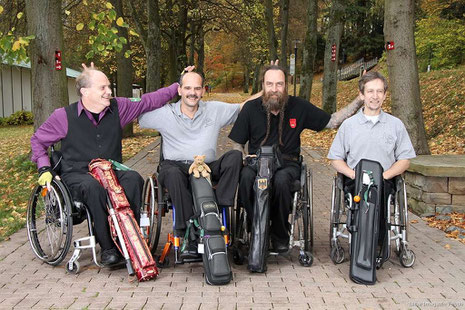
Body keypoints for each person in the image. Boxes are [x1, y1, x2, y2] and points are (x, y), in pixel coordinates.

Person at [30, 63, 188, 266]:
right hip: (78, 174)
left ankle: (134, 243)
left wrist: (179, 85)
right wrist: (44, 167)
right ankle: (108, 248)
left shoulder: (119, 107)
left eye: (108, 87)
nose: (109, 91)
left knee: (133, 179)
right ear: (85, 91)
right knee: (93, 187)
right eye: (102, 87)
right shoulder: (63, 116)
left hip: (111, 170)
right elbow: (38, 141)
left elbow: (149, 101)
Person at [228, 64, 364, 255]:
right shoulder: (251, 108)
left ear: (286, 85)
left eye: (279, 84)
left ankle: (279, 234)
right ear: (263, 85)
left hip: (287, 163)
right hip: (257, 163)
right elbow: (236, 143)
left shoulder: (299, 106)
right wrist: (243, 157)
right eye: (270, 84)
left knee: (283, 181)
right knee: (245, 179)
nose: (274, 89)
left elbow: (332, 121)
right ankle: (253, 227)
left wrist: (359, 100)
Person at [138, 71, 258, 258]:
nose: (192, 92)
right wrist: (166, 92)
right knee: (171, 174)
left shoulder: (214, 109)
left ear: (203, 91)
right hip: (176, 167)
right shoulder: (164, 113)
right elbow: (140, 111)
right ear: (179, 90)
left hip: (207, 167)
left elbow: (244, 107)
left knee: (235, 156)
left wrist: (267, 88)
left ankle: (214, 209)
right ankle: (187, 232)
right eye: (187, 88)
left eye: (196, 88)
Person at [327, 70, 416, 181]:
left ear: (384, 95)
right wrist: (354, 175)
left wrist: (383, 176)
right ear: (362, 95)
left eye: (379, 91)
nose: (375, 96)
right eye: (370, 91)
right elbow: (335, 158)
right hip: (354, 183)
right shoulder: (348, 125)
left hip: (386, 183)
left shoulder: (396, 125)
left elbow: (405, 159)